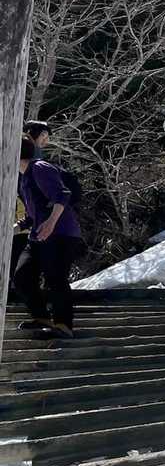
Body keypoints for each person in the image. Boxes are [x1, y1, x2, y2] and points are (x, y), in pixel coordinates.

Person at [13, 135, 85, 338]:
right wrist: (16, 228)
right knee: (22, 276)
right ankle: (42, 318)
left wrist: (52, 222)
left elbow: (62, 194)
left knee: (56, 278)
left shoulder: (40, 167)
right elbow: (33, 213)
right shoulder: (24, 178)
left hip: (61, 233)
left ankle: (63, 325)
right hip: (38, 236)